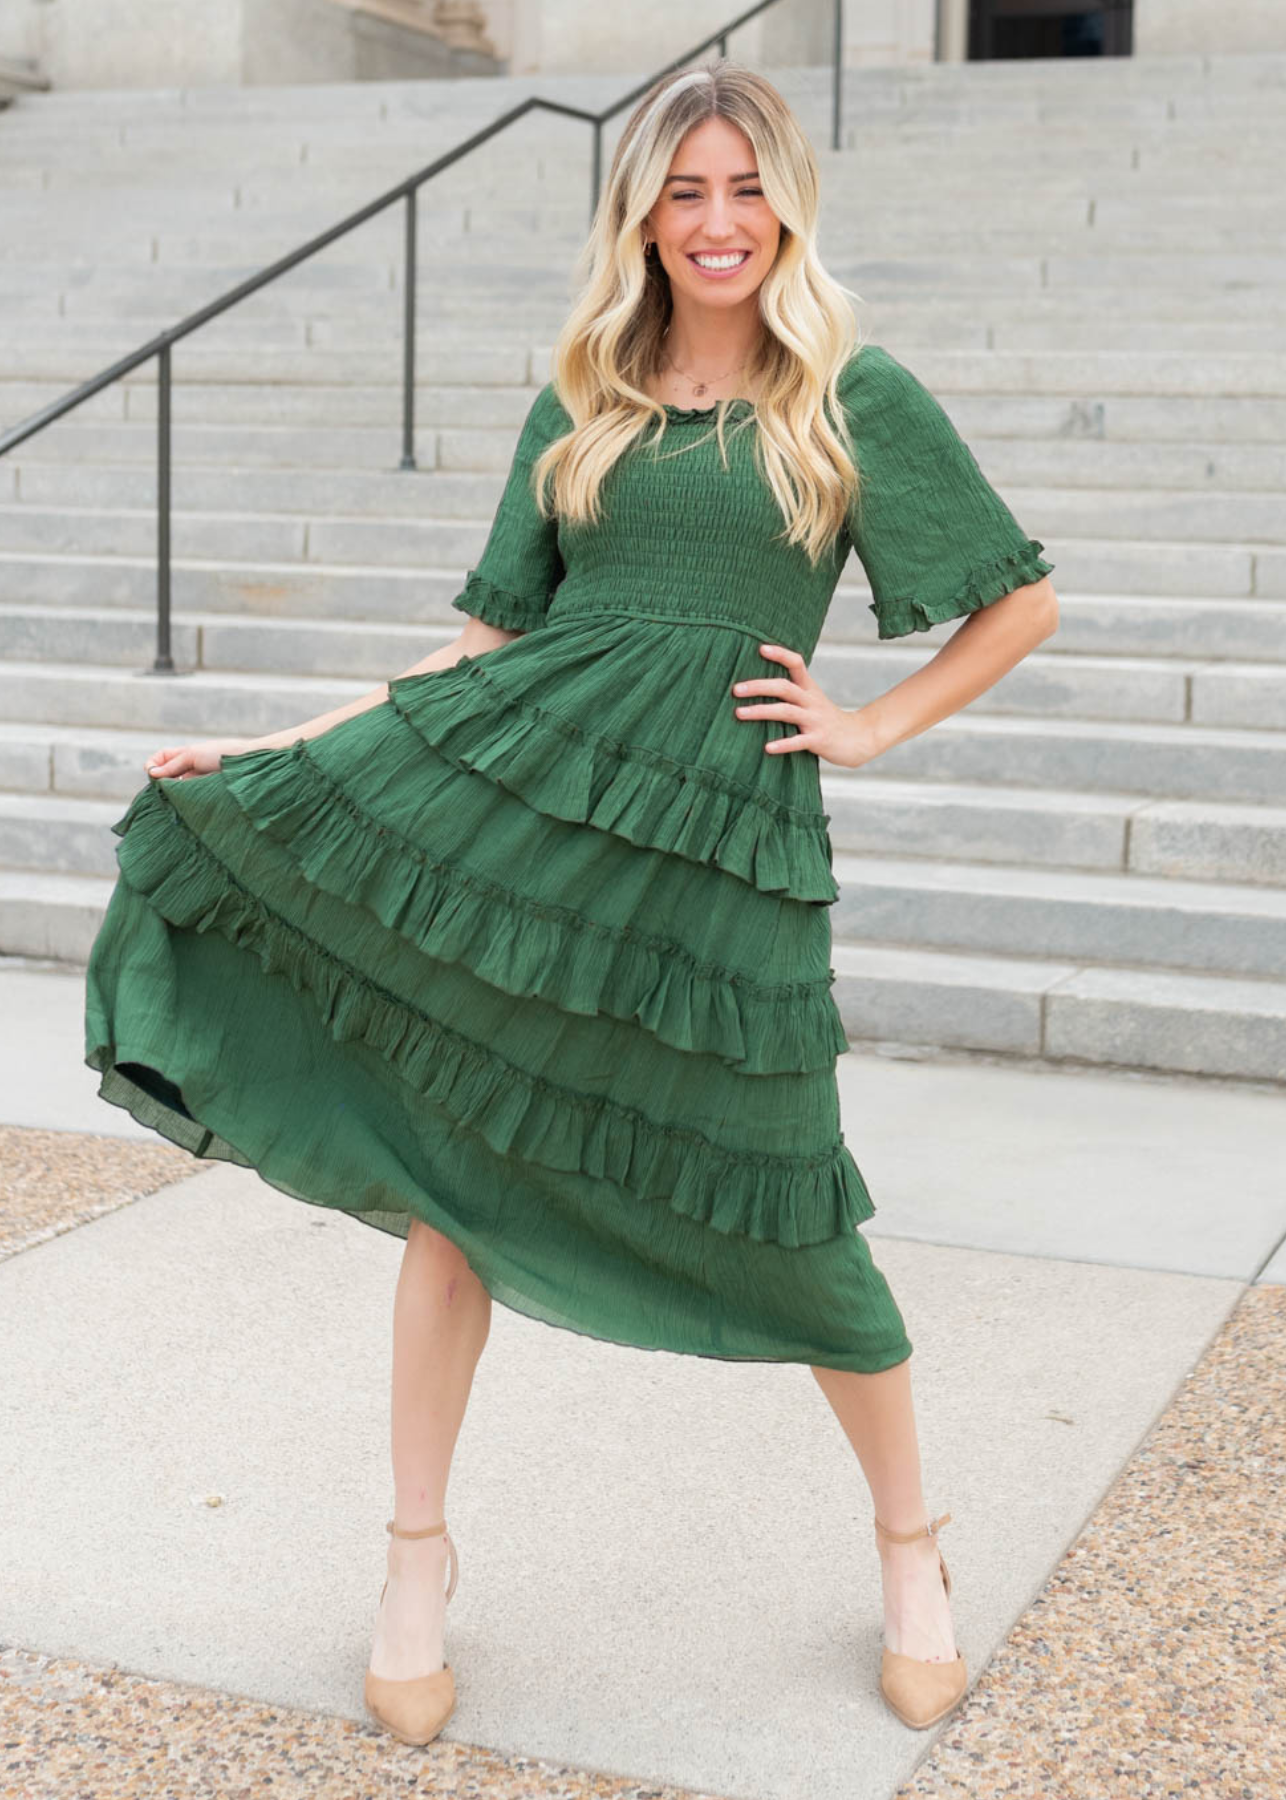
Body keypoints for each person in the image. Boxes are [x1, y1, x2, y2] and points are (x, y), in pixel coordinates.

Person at [84, 58, 1057, 1741]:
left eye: (742, 187)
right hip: (528, 842)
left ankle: (912, 1550)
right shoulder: (583, 399)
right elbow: (480, 653)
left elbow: (1017, 603)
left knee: (787, 1204)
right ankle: (412, 1559)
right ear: (640, 217)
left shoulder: (848, 395)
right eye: (681, 191)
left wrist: (868, 723)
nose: (716, 221)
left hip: (723, 856)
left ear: (786, 203)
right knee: (452, 1179)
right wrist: (273, 738)